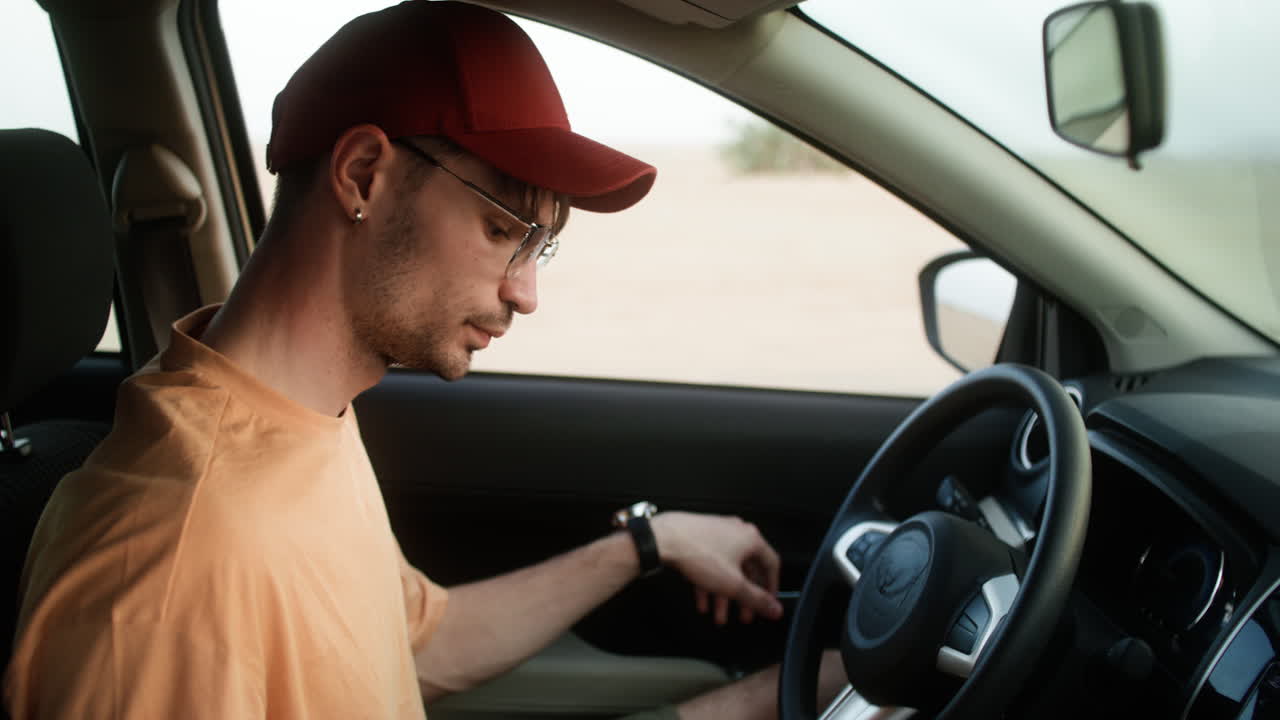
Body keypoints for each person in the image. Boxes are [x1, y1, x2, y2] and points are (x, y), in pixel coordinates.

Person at [3, 2, 843, 718]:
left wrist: (645, 547)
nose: (526, 294)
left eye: (538, 248)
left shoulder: (297, 416)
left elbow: (409, 642)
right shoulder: (175, 563)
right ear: (363, 173)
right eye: (501, 228)